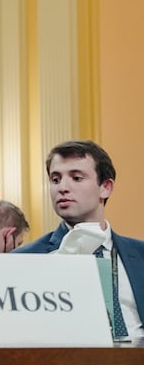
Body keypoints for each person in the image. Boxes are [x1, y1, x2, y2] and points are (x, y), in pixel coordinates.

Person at [15, 140, 144, 337]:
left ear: (105, 187)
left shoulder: (140, 255)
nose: (63, 187)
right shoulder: (25, 260)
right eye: (55, 179)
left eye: (76, 178)